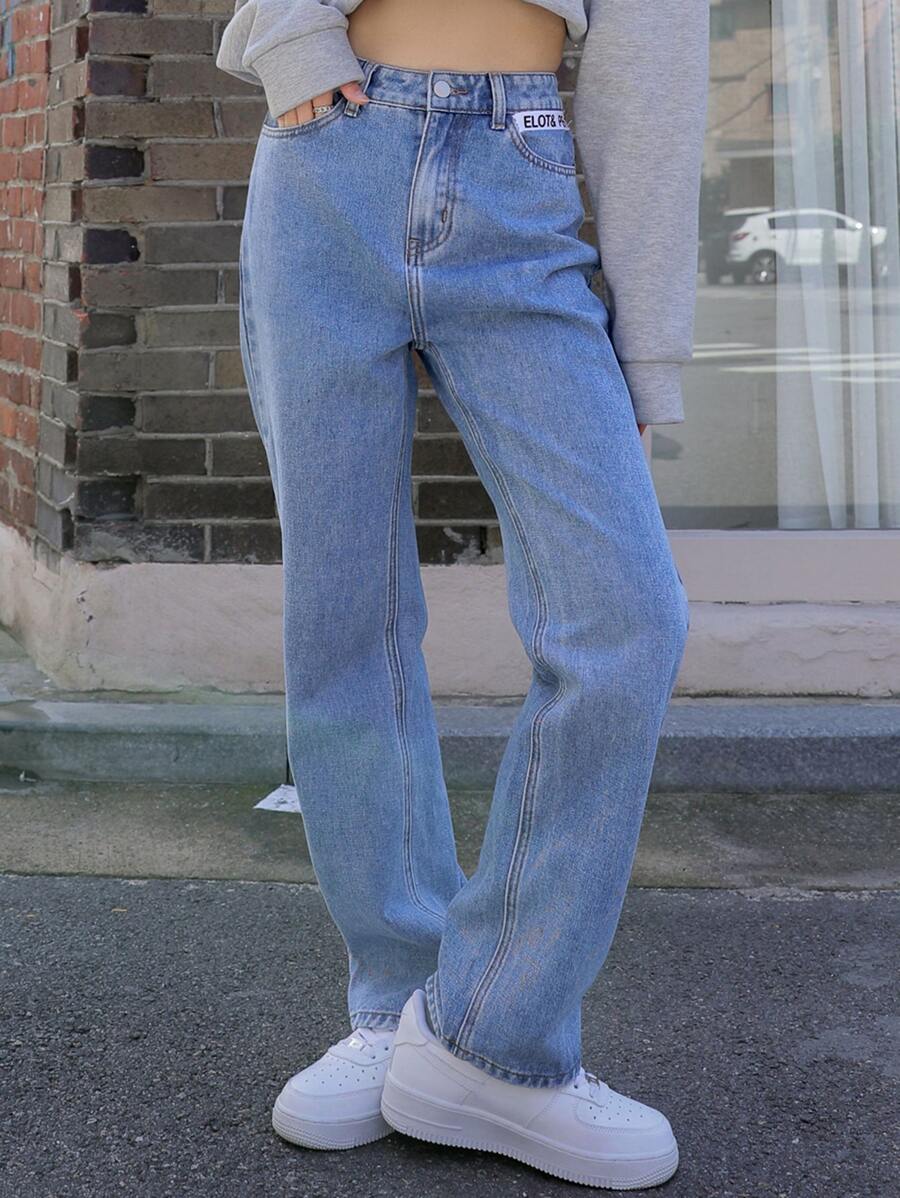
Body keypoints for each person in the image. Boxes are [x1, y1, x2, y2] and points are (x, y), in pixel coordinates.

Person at [215, 0, 709, 1187]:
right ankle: (395, 1003)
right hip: (326, 160)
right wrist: (290, 39)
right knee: (348, 620)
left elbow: (653, 73)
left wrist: (646, 349)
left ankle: (492, 1031)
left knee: (626, 616)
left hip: (521, 178)